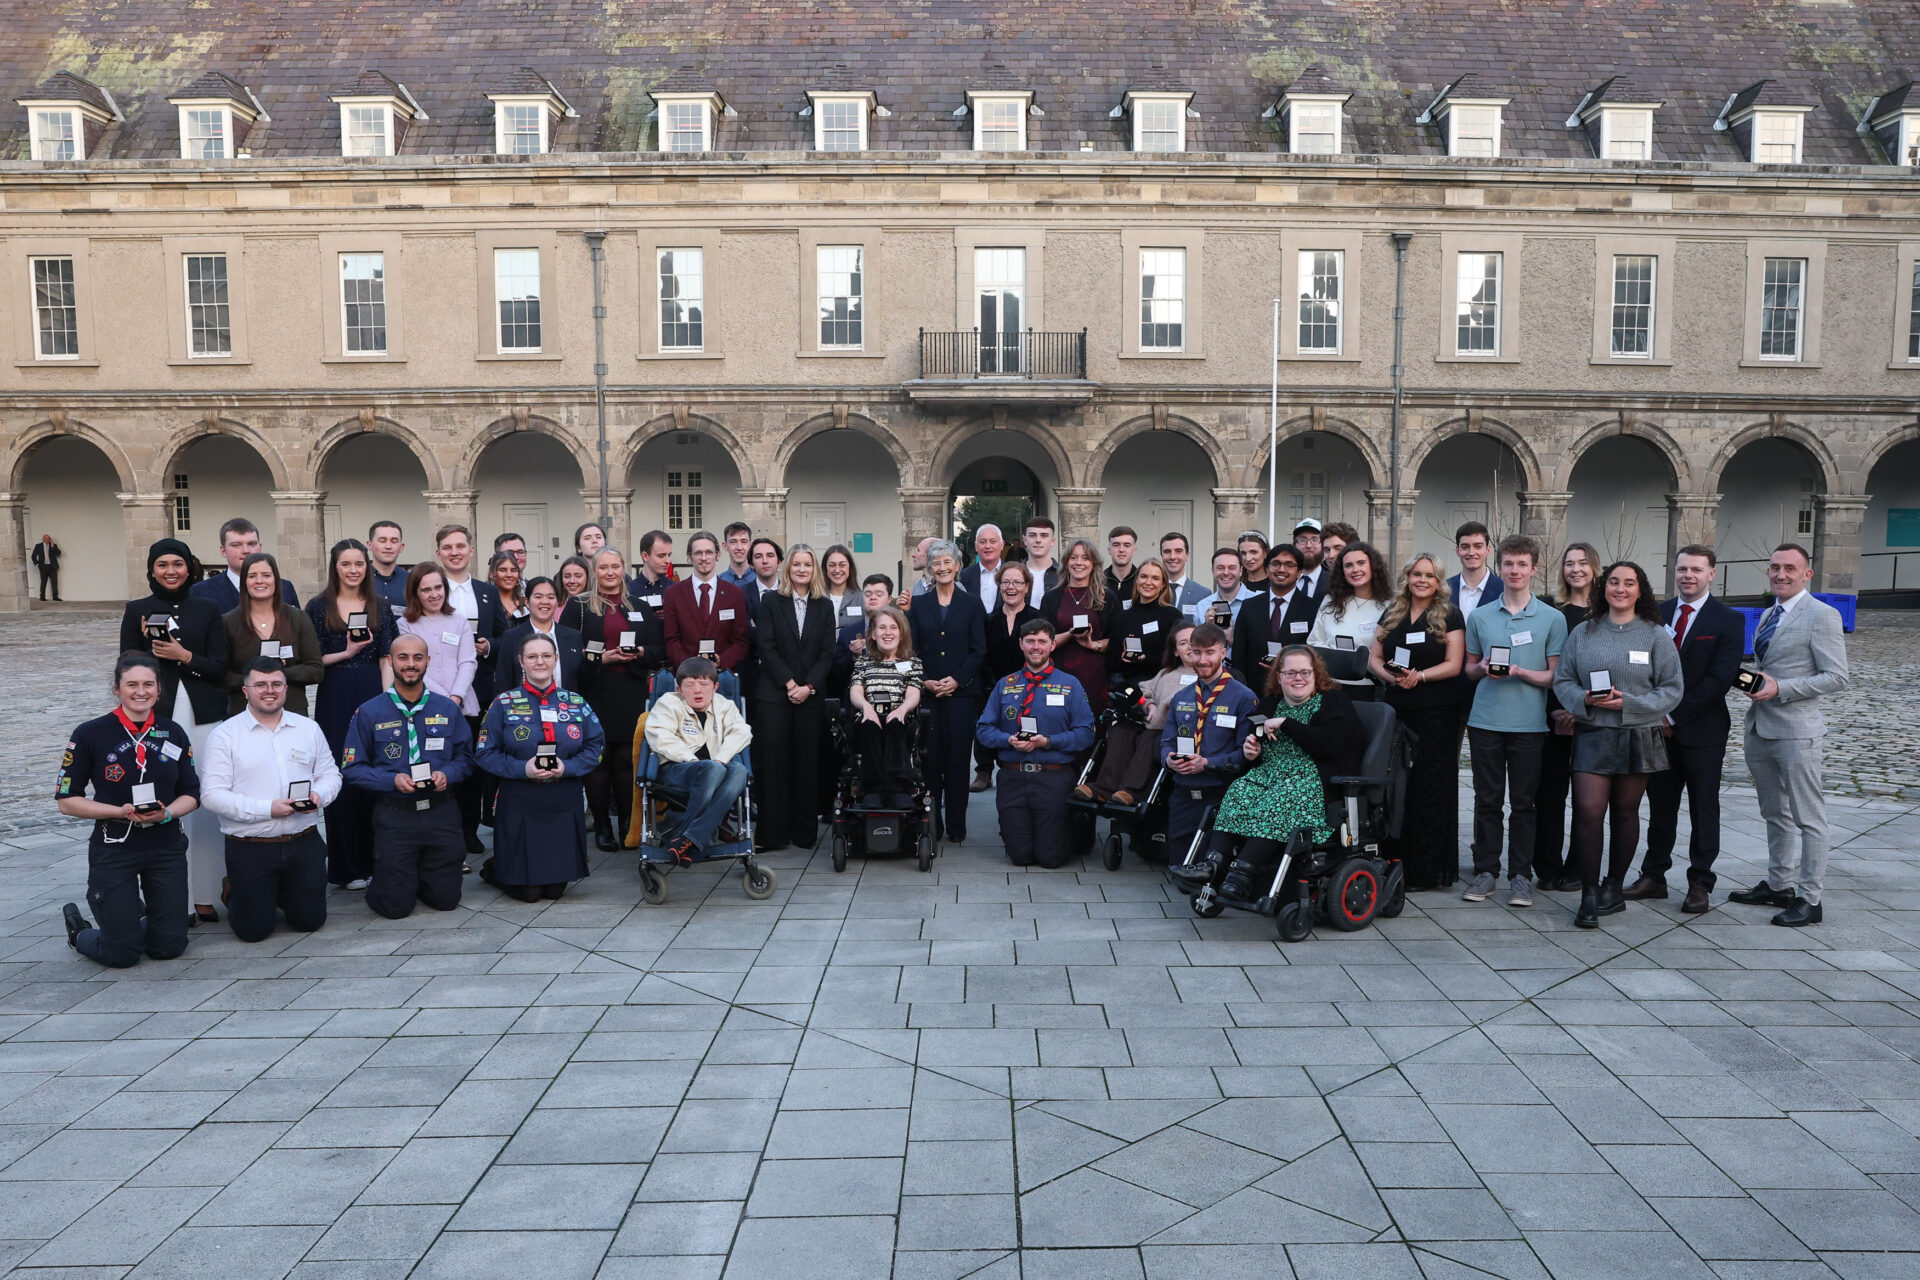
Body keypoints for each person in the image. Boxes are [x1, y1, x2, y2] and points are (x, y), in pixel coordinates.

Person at [1171, 646, 1365, 901]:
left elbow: (1329, 744)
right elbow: (1256, 740)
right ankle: (1213, 864)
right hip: (1270, 774)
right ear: (1279, 677)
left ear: (1316, 675)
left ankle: (1242, 873)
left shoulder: (1334, 701)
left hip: (1314, 779)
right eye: (1291, 673)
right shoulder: (1271, 703)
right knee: (1240, 790)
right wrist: (1253, 752)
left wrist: (1286, 724)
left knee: (1280, 799)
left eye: (1306, 672)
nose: (1299, 678)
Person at [1551, 560, 1684, 928]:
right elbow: (1563, 680)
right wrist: (1584, 702)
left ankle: (1613, 887)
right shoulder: (1583, 632)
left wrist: (1631, 704)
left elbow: (1673, 689)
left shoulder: (1656, 635)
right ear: (1603, 587)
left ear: (1640, 590)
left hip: (1638, 733)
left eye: (1629, 583)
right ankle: (1589, 893)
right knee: (1589, 811)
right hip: (1593, 732)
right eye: (1613, 582)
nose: (1620, 589)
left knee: (1625, 813)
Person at [1726, 543, 1851, 928]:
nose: (1781, 574)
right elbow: (1767, 665)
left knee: (1808, 818)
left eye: (1790, 569)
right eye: (1775, 567)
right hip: (1761, 727)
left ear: (1806, 574)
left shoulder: (1822, 615)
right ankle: (1780, 885)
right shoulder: (1767, 614)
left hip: (1798, 732)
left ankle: (1810, 898)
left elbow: (1837, 677)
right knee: (1774, 812)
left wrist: (1781, 688)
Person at [58, 653, 200, 968]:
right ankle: (80, 932)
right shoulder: (90, 733)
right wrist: (117, 811)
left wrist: (166, 813)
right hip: (115, 847)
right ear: (117, 689)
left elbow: (191, 794)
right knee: (122, 955)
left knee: (170, 947)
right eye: (131, 684)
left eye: (148, 684)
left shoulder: (173, 732)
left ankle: (131, 915)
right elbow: (67, 800)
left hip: (165, 846)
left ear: (159, 690)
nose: (140, 691)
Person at [1628, 545, 1744, 913]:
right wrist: (1653, 713)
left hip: (1702, 732)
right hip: (1656, 732)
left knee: (1703, 807)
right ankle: (1654, 876)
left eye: (1696, 569)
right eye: (1681, 569)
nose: (1687, 576)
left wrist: (1672, 715)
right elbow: (1642, 669)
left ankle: (1700, 882)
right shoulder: (1655, 614)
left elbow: (1720, 679)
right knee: (1660, 805)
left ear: (1712, 573)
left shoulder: (1727, 620)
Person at [120, 539, 229, 925]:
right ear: (151, 569)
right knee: (164, 800)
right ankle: (173, 900)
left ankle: (205, 893)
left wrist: (185, 657)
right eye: (162, 564)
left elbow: (220, 666)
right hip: (156, 718)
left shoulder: (207, 608)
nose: (170, 570)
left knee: (203, 801)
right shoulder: (137, 611)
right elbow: (126, 667)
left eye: (178, 563)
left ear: (190, 567)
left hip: (204, 715)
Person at [198, 658, 341, 942]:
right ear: (245, 690)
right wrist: (268, 809)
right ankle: (235, 889)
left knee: (310, 922)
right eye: (260, 684)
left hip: (303, 841)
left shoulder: (308, 728)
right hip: (251, 847)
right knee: (253, 932)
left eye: (276, 684)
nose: (269, 690)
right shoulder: (224, 735)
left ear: (286, 688)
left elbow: (331, 776)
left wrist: (319, 795)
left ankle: (280, 892)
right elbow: (211, 796)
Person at [1461, 534, 1567, 909]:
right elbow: (1470, 669)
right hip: (1486, 720)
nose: (1515, 571)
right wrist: (1483, 668)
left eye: (1523, 565)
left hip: (1529, 724)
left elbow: (1554, 676)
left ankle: (1521, 876)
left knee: (1524, 804)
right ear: (1499, 566)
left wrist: (1520, 671)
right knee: (1487, 801)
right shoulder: (1480, 616)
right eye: (1509, 564)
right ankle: (1486, 870)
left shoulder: (1552, 618)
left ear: (1534, 569)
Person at [342, 633, 475, 919]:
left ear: (428, 661)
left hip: (440, 812)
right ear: (390, 662)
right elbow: (352, 768)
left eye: (417, 657)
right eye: (403, 657)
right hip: (395, 815)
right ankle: (394, 880)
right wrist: (391, 780)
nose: (410, 664)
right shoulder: (369, 712)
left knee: (446, 901)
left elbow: (465, 757)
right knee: (395, 908)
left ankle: (419, 877)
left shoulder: (447, 708)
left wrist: (447, 774)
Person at [476, 633, 606, 901]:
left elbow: (597, 747)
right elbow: (485, 753)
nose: (540, 662)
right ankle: (495, 869)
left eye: (546, 656)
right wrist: (523, 768)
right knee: (530, 894)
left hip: (562, 797)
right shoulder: (503, 703)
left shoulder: (576, 702)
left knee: (555, 892)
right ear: (521, 661)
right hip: (521, 799)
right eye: (532, 656)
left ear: (556, 660)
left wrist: (568, 767)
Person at [1369, 553, 1466, 891]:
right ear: (1407, 577)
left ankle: (1428, 870)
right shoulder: (1393, 612)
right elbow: (1374, 657)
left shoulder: (1449, 615)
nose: (1422, 580)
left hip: (1436, 714)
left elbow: (1455, 664)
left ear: (1439, 582)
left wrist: (1419, 677)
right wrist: (1391, 678)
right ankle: (1395, 860)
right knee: (1397, 789)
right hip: (1398, 710)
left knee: (1430, 789)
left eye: (1430, 575)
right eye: (1416, 574)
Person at [307, 539, 396, 891]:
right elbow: (311, 659)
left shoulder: (380, 605)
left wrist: (389, 701)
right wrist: (344, 652)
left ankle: (378, 858)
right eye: (346, 564)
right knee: (341, 773)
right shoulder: (318, 607)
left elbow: (387, 655)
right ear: (336, 567)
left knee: (375, 772)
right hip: (336, 694)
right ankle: (346, 866)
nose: (354, 570)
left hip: (374, 692)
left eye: (359, 563)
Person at [975, 619, 1097, 867]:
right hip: (1012, 779)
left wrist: (1047, 742)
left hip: (1052, 779)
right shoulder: (1004, 685)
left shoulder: (1070, 684)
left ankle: (1074, 828)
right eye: (1030, 641)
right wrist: (1008, 740)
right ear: (1021, 644)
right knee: (1020, 858)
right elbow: (983, 729)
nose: (1035, 647)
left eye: (1042, 641)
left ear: (1053, 645)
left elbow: (1086, 733)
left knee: (1050, 859)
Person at [563, 548, 662, 851]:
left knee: (625, 759)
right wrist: (599, 658)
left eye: (615, 566)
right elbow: (567, 651)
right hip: (595, 689)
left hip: (630, 689)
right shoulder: (579, 606)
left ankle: (626, 825)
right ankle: (603, 826)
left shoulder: (640, 606)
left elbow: (660, 647)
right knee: (598, 759)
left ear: (623, 569)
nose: (609, 572)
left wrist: (642, 653)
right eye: (603, 567)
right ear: (595, 572)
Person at [749, 543, 836, 850]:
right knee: (774, 766)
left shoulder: (824, 606)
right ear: (788, 568)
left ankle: (804, 833)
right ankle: (773, 835)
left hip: (810, 698)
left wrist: (808, 687)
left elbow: (827, 653)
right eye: (797, 564)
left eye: (807, 565)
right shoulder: (772, 601)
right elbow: (766, 647)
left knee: (806, 764)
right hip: (774, 695)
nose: (802, 569)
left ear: (814, 570)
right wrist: (789, 684)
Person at [1151, 623, 1261, 863]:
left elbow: (1248, 754)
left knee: (1209, 871)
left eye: (1209, 652)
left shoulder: (1244, 697)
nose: (1202, 660)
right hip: (1182, 793)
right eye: (1196, 652)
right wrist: (1169, 760)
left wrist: (1208, 763)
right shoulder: (1182, 698)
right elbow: (1167, 742)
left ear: (1223, 653)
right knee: (1179, 872)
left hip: (1219, 794)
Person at [395, 562, 479, 862]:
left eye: (438, 588)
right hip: (424, 707)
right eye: (426, 589)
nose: (433, 595)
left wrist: (455, 697)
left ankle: (464, 837)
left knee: (463, 772)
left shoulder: (458, 620)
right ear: (415, 592)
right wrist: (443, 701)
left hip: (461, 705)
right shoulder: (406, 623)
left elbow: (468, 661)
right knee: (433, 769)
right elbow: (413, 665)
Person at [909, 539, 987, 844]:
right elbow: (911, 650)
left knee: (957, 763)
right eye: (936, 563)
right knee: (930, 763)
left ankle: (957, 827)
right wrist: (926, 680)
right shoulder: (918, 605)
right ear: (930, 568)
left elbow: (979, 650)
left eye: (947, 562)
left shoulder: (972, 604)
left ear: (957, 566)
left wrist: (957, 680)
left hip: (961, 696)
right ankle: (933, 826)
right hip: (928, 695)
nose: (942, 568)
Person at [1534, 542, 1601, 891]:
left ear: (1594, 568)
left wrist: (1582, 709)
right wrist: (1557, 711)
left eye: (1583, 563)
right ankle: (1547, 867)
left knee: (1587, 801)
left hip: (1595, 719)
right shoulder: (1551, 610)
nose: (1576, 569)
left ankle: (1579, 867)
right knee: (1550, 796)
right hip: (1554, 717)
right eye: (1569, 563)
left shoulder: (1607, 613)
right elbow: (1545, 666)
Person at [645, 656, 754, 867]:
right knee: (711, 768)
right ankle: (694, 837)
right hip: (676, 770)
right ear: (679, 688)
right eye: (690, 685)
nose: (697, 690)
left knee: (740, 770)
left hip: (715, 770)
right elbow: (661, 738)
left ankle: (686, 839)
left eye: (704, 684)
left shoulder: (725, 706)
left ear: (715, 687)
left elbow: (742, 732)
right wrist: (694, 761)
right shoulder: (668, 703)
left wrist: (721, 760)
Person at [1083, 618, 1197, 805]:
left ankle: (1133, 792)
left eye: (1194, 641)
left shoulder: (1204, 675)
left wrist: (1164, 707)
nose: (1190, 647)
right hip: (1149, 723)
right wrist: (1149, 705)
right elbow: (1144, 688)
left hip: (1173, 730)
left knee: (1149, 738)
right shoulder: (1166, 673)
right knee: (1121, 731)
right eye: (1183, 643)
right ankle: (1104, 787)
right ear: (1176, 651)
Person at [221, 552, 323, 716]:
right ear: (244, 582)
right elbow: (222, 676)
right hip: (243, 715)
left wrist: (280, 672)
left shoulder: (298, 618)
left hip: (292, 712)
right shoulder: (228, 622)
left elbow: (316, 670)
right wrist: (254, 677)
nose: (259, 581)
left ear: (275, 579)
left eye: (266, 575)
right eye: (252, 576)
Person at [974, 561, 1041, 793]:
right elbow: (981, 654)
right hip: (992, 685)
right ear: (999, 585)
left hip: (1028, 685)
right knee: (985, 720)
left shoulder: (1036, 620)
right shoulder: (988, 620)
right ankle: (983, 771)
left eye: (1017, 582)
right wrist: (992, 684)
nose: (1011, 587)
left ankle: (1016, 766)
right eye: (1006, 582)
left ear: (1027, 586)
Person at [849, 605, 923, 808]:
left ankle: (898, 789)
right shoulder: (863, 662)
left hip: (900, 718)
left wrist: (901, 710)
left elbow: (914, 692)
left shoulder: (912, 662)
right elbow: (855, 690)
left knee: (895, 726)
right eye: (882, 628)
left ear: (902, 632)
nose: (888, 632)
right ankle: (873, 789)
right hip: (869, 716)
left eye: (893, 627)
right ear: (873, 634)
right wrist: (866, 707)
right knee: (870, 727)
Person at [1037, 538, 1116, 716]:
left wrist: (1091, 644)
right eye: (1074, 557)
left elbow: (1117, 641)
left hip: (1096, 675)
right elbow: (1043, 641)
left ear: (1094, 563)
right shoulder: (1051, 598)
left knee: (1094, 725)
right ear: (1066, 563)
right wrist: (1070, 634)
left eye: (1085, 558)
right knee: (1059, 722)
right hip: (1059, 674)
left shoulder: (1107, 598)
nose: (1079, 562)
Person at [1307, 542, 1390, 701]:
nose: (1355, 570)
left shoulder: (1388, 607)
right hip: (1328, 687)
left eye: (1361, 563)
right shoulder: (1330, 601)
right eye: (1348, 565)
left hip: (1369, 691)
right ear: (1342, 571)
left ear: (1373, 566)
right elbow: (1314, 643)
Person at [662, 530, 752, 674]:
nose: (704, 558)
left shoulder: (734, 594)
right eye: (698, 553)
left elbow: (740, 641)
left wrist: (721, 661)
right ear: (689, 557)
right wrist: (690, 666)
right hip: (686, 677)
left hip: (723, 675)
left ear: (718, 555)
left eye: (709, 552)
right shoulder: (673, 594)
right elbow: (671, 640)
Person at [1232, 544, 1316, 688]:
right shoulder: (1249, 606)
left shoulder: (1312, 608)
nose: (1281, 569)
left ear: (1299, 572)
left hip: (1297, 690)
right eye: (1275, 564)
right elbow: (1239, 655)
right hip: (1254, 690)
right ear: (1267, 568)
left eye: (1289, 565)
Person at [192, 517, 301, 612]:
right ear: (223, 551)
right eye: (236, 545)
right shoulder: (201, 592)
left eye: (252, 544)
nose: (246, 550)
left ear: (260, 547)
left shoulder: (284, 587)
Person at [498, 576, 584, 692]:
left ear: (557, 601)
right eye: (538, 597)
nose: (545, 602)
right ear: (527, 602)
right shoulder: (511, 637)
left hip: (566, 708)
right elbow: (503, 683)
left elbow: (581, 681)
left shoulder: (573, 637)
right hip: (522, 708)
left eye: (550, 597)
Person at [1110, 559, 1185, 688]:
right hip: (1130, 689)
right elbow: (1111, 660)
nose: (1148, 582)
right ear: (1137, 580)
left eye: (1155, 578)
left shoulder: (1173, 615)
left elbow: (1177, 657)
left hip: (1163, 686)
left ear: (1162, 584)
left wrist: (1145, 658)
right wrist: (1123, 658)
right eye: (1144, 576)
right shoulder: (1123, 617)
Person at [833, 573, 896, 695]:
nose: (872, 597)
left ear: (889, 599)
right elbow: (836, 674)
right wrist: (853, 657)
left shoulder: (899, 631)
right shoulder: (847, 633)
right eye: (868, 594)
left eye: (878, 594)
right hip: (857, 699)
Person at [1193, 547, 1256, 632]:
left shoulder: (1257, 602)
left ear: (1240, 571)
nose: (1226, 572)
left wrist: (1234, 640)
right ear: (1213, 571)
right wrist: (1207, 628)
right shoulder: (1202, 607)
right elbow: (1196, 644)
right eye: (1220, 568)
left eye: (1232, 568)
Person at [1448, 521, 1496, 618]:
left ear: (1488, 550)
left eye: (1478, 546)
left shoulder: (1504, 590)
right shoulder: (1443, 589)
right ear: (1457, 551)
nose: (1471, 552)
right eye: (1465, 547)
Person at [1158, 532, 1208, 614]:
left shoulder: (1202, 594)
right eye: (1167, 551)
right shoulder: (1152, 591)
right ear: (1161, 555)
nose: (1172, 557)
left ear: (1187, 555)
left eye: (1178, 551)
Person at [367, 520, 409, 611]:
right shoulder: (359, 580)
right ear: (369, 545)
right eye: (382, 541)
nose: (388, 546)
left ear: (401, 547)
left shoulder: (411, 581)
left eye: (394, 541)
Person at [959, 524, 1007, 598]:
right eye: (983, 542)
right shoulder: (963, 576)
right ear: (976, 546)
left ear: (1002, 545)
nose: (988, 546)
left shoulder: (1013, 574)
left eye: (993, 541)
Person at [633, 529, 676, 602]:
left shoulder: (675, 589)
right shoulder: (629, 591)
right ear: (645, 556)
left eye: (669, 555)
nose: (668, 561)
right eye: (661, 556)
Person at [1021, 516, 1061, 596]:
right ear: (1025, 540)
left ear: (1052, 541)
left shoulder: (1064, 575)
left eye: (1044, 535)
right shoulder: (1013, 574)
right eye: (1032, 535)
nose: (1038, 540)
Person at [821, 544, 860, 623]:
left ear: (850, 567)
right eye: (832, 565)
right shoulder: (816, 597)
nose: (837, 570)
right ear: (825, 568)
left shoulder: (861, 598)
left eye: (842, 565)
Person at [1292, 519, 1328, 600]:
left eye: (1314, 539)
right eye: (1302, 540)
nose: (1308, 545)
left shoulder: (1334, 583)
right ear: (1294, 544)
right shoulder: (1283, 580)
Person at [489, 550, 528, 626]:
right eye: (502, 570)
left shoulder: (526, 603)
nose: (509, 575)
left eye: (513, 570)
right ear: (492, 574)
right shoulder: (487, 604)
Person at [1105, 526, 1139, 599]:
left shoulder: (1142, 581)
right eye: (1116, 545)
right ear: (1109, 550)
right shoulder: (1098, 581)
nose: (1121, 550)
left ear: (1134, 550)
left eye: (1127, 545)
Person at [720, 521, 756, 587]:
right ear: (725, 546)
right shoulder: (718, 583)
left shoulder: (761, 580)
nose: (739, 547)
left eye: (744, 542)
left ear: (751, 545)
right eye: (733, 542)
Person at [902, 536, 936, 603]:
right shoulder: (917, 585)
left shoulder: (953, 587)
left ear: (931, 555)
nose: (913, 555)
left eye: (918, 550)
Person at [32, 532, 61, 601]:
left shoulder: (53, 545)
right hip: (43, 567)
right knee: (43, 581)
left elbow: (58, 553)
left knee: (54, 582)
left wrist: (52, 545)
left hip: (53, 567)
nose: (47, 540)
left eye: (48, 538)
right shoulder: (38, 546)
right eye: (46, 538)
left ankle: (55, 596)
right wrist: (37, 564)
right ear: (43, 539)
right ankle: (42, 596)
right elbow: (33, 556)